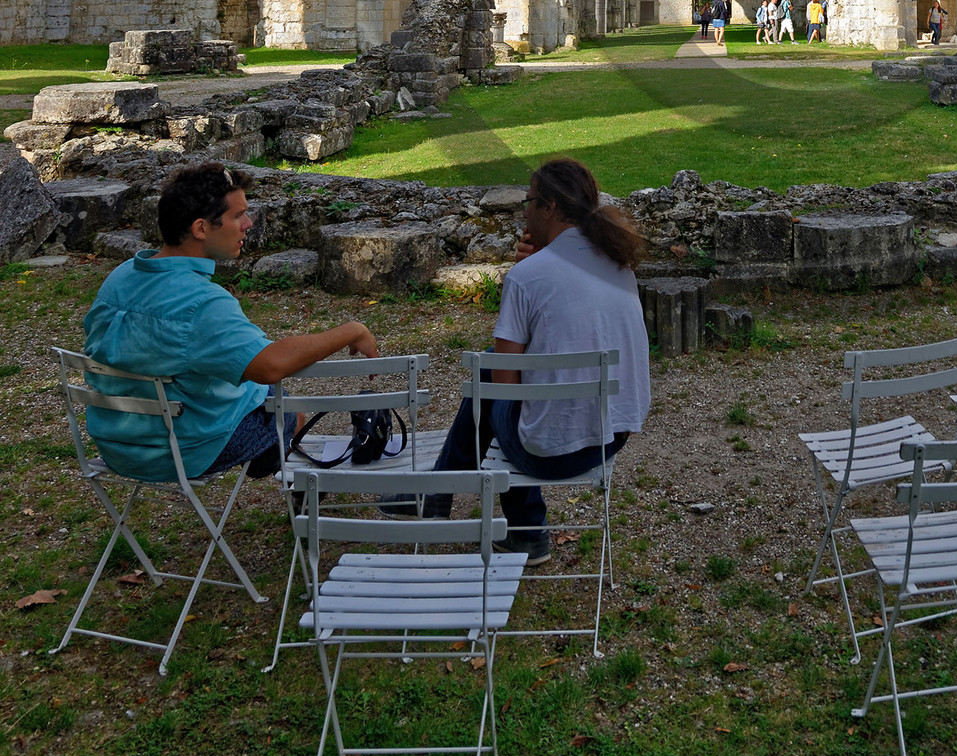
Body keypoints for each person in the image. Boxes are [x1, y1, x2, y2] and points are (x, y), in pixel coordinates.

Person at [81, 164, 380, 484]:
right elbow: (272, 365)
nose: (248, 224)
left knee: (258, 391)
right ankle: (298, 488)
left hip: (116, 444)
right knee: (287, 410)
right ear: (201, 228)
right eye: (238, 216)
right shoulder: (202, 303)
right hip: (178, 452)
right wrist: (352, 330)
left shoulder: (121, 276)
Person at [430, 159, 651, 559]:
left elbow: (505, 384)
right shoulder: (619, 264)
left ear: (549, 207)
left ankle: (460, 502)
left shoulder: (527, 277)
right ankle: (443, 496)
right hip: (612, 436)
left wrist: (526, 269)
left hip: (550, 455)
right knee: (498, 373)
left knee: (487, 375)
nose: (524, 213)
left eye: (529, 202)